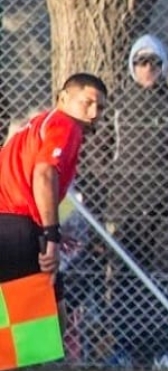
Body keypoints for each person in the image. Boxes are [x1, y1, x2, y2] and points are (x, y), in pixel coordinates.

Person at [80, 34, 168, 368]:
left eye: (153, 62)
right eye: (141, 62)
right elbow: (96, 149)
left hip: (167, 210)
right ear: (132, 66)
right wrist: (114, 181)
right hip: (126, 209)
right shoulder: (118, 105)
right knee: (124, 277)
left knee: (163, 277)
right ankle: (124, 347)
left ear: (163, 65)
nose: (147, 68)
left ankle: (162, 348)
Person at [0, 73, 107, 323]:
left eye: (100, 107)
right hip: (16, 227)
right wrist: (51, 235)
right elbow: (44, 174)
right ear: (63, 98)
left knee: (51, 317)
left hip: (14, 223)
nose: (93, 113)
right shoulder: (66, 125)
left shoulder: (39, 123)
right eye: (87, 102)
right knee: (36, 326)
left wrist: (45, 228)